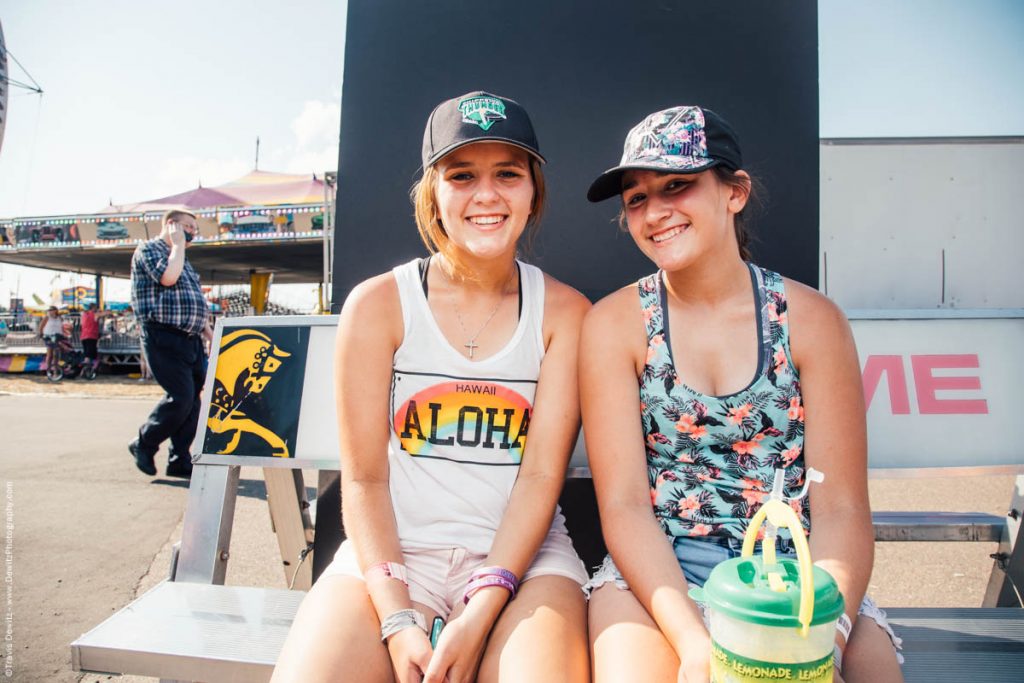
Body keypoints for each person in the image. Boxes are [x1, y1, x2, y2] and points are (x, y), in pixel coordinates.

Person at [273, 91, 590, 683]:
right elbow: (365, 479)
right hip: (395, 557)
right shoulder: (377, 304)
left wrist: (483, 606)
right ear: (434, 193)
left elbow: (542, 477)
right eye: (462, 175)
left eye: (508, 174)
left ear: (532, 192)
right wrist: (396, 618)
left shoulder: (565, 313)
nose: (487, 194)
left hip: (526, 564)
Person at [579, 106, 904, 683]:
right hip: (661, 578)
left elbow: (842, 507)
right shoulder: (615, 324)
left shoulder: (812, 320)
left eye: (678, 186)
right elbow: (625, 507)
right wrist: (694, 643)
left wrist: (824, 635)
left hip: (793, 577)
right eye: (636, 198)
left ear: (735, 192)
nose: (655, 212)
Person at [128, 209, 213, 479]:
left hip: (191, 338)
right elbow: (168, 278)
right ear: (171, 224)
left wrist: (211, 334)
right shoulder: (150, 250)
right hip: (164, 334)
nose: (191, 233)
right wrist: (177, 244)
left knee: (194, 400)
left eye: (194, 230)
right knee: (181, 397)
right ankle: (145, 441)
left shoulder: (182, 257)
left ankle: (180, 458)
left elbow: (194, 301)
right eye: (187, 227)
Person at [79, 302, 106, 373]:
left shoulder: (84, 314)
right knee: (90, 353)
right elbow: (106, 314)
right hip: (91, 335)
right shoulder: (94, 314)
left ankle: (87, 368)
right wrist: (102, 311)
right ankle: (88, 369)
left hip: (84, 336)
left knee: (87, 353)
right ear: (93, 308)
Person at [38, 305, 65, 373]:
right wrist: (41, 333)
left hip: (58, 336)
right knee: (50, 354)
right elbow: (41, 326)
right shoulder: (47, 317)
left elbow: (63, 326)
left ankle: (56, 369)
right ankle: (48, 369)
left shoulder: (60, 318)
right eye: (49, 310)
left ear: (55, 311)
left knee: (56, 353)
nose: (49, 312)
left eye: (51, 310)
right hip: (49, 336)